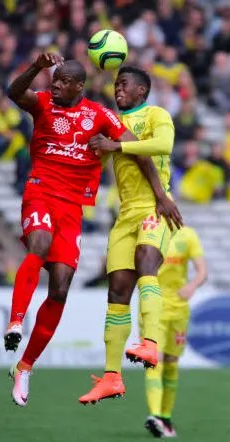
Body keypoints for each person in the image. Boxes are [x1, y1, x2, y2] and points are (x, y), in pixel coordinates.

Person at [2, 54, 178, 407]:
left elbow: (143, 152)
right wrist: (36, 66)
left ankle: (24, 366)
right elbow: (13, 92)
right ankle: (15, 323)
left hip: (74, 207)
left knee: (62, 288)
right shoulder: (42, 104)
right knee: (39, 243)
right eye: (51, 80)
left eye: (60, 80)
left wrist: (161, 195)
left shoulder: (103, 116)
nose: (52, 85)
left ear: (78, 86)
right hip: (40, 190)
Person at [79, 66, 184, 404]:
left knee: (146, 262)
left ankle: (150, 344)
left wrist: (115, 146)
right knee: (117, 290)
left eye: (124, 84)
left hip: (155, 207)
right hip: (124, 215)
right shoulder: (111, 122)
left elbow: (164, 144)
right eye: (115, 84)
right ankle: (112, 377)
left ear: (142, 90)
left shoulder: (156, 114)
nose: (117, 89)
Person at [142, 226, 207, 438]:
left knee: (170, 362)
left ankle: (165, 418)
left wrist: (192, 286)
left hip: (178, 308)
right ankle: (154, 415)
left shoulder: (187, 235)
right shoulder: (147, 231)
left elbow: (202, 271)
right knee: (155, 358)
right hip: (152, 305)